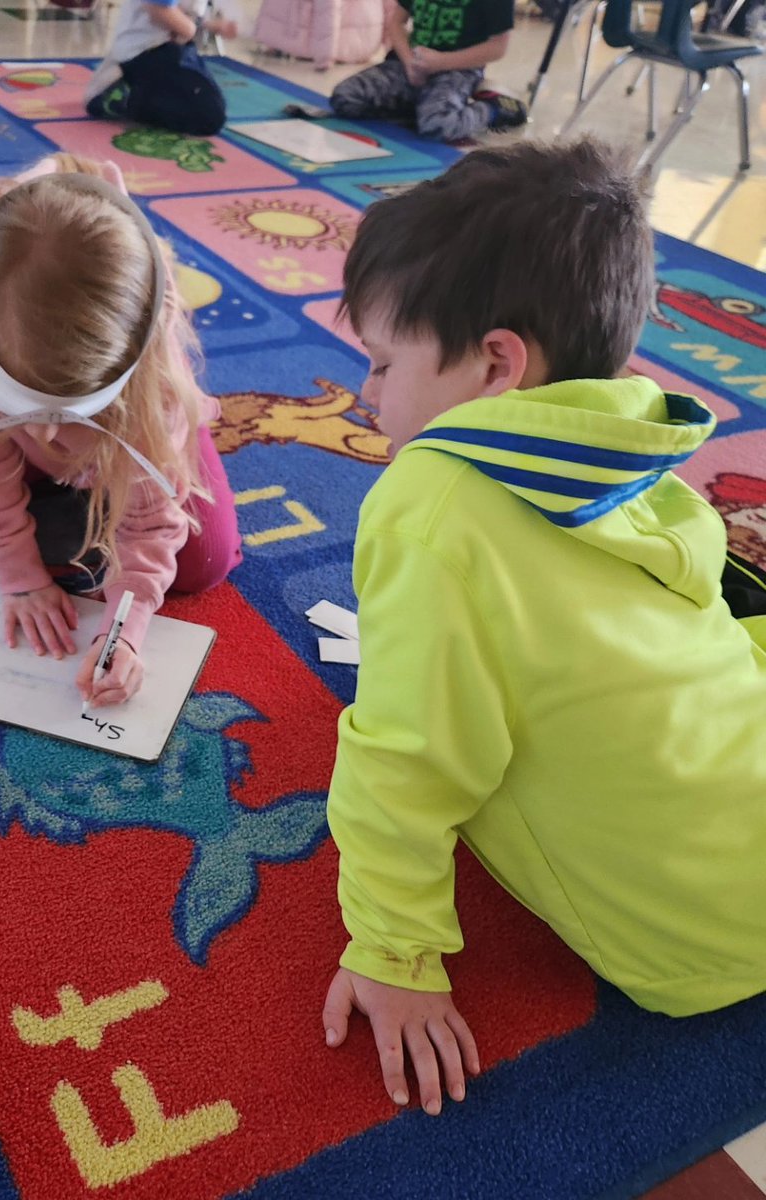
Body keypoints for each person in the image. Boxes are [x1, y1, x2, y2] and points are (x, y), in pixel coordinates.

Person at [319, 137, 766, 1116]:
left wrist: (394, 952)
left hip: (687, 942)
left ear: (494, 365)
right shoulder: (631, 435)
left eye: (383, 362)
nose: (364, 395)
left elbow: (406, 756)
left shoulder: (427, 500)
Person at [0, 153, 242, 709]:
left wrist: (124, 630)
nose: (45, 429)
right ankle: (56, 490)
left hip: (129, 436)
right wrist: (19, 576)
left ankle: (79, 486)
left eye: (67, 409)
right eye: (24, 403)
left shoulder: (151, 378)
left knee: (203, 561)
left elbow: (152, 524)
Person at [328, 0, 527, 140]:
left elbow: (498, 47)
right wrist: (409, 61)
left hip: (458, 70)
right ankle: (421, 105)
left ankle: (493, 108)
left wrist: (441, 62)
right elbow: (396, 22)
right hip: (410, 64)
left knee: (437, 126)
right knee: (345, 97)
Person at [83, 0, 238, 135]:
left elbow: (181, 10)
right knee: (209, 117)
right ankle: (120, 93)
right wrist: (191, 29)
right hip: (146, 49)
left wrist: (210, 25)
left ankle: (134, 85)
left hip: (170, 45)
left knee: (207, 102)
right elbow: (158, 10)